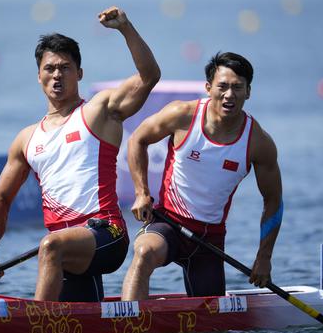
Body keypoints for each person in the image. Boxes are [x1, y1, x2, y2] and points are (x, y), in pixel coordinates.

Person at [0, 6, 160, 302]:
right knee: (76, 319)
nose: (57, 75)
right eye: (50, 68)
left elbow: (149, 76)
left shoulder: (99, 111)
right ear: (38, 76)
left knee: (50, 246)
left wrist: (125, 28)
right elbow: (1, 198)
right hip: (66, 248)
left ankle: (35, 325)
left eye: (65, 68)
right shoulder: (26, 138)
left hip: (107, 234)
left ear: (79, 73)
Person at [121, 52, 282, 301]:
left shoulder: (258, 143)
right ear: (209, 88)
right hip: (169, 224)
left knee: (214, 325)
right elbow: (137, 140)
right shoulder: (182, 115)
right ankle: (127, 324)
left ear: (248, 92)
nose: (230, 94)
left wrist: (264, 258)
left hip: (209, 238)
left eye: (238, 87)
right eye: (223, 86)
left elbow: (273, 200)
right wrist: (142, 193)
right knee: (143, 253)